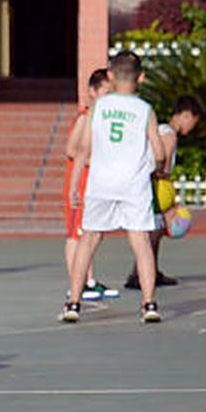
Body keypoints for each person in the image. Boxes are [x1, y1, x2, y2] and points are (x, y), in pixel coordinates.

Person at [62, 51, 171, 324]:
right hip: (134, 185)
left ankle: (74, 302)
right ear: (141, 77)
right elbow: (159, 151)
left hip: (101, 183)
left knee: (88, 241)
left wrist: (75, 184)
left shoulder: (97, 108)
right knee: (141, 243)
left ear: (110, 75)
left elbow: (84, 150)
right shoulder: (145, 109)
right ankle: (149, 304)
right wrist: (158, 169)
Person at [119, 97, 199, 292]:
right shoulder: (168, 134)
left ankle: (150, 270)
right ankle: (139, 274)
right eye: (193, 122)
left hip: (155, 185)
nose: (192, 127)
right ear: (185, 115)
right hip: (155, 186)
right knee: (152, 232)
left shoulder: (164, 131)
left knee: (156, 232)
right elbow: (159, 161)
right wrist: (164, 178)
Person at [61, 69, 122, 302]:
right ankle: (76, 282)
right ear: (92, 92)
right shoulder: (85, 117)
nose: (108, 98)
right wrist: (95, 161)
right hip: (81, 184)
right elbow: (70, 150)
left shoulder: (99, 118)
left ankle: (88, 280)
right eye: (105, 93)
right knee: (76, 235)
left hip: (93, 184)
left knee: (90, 233)